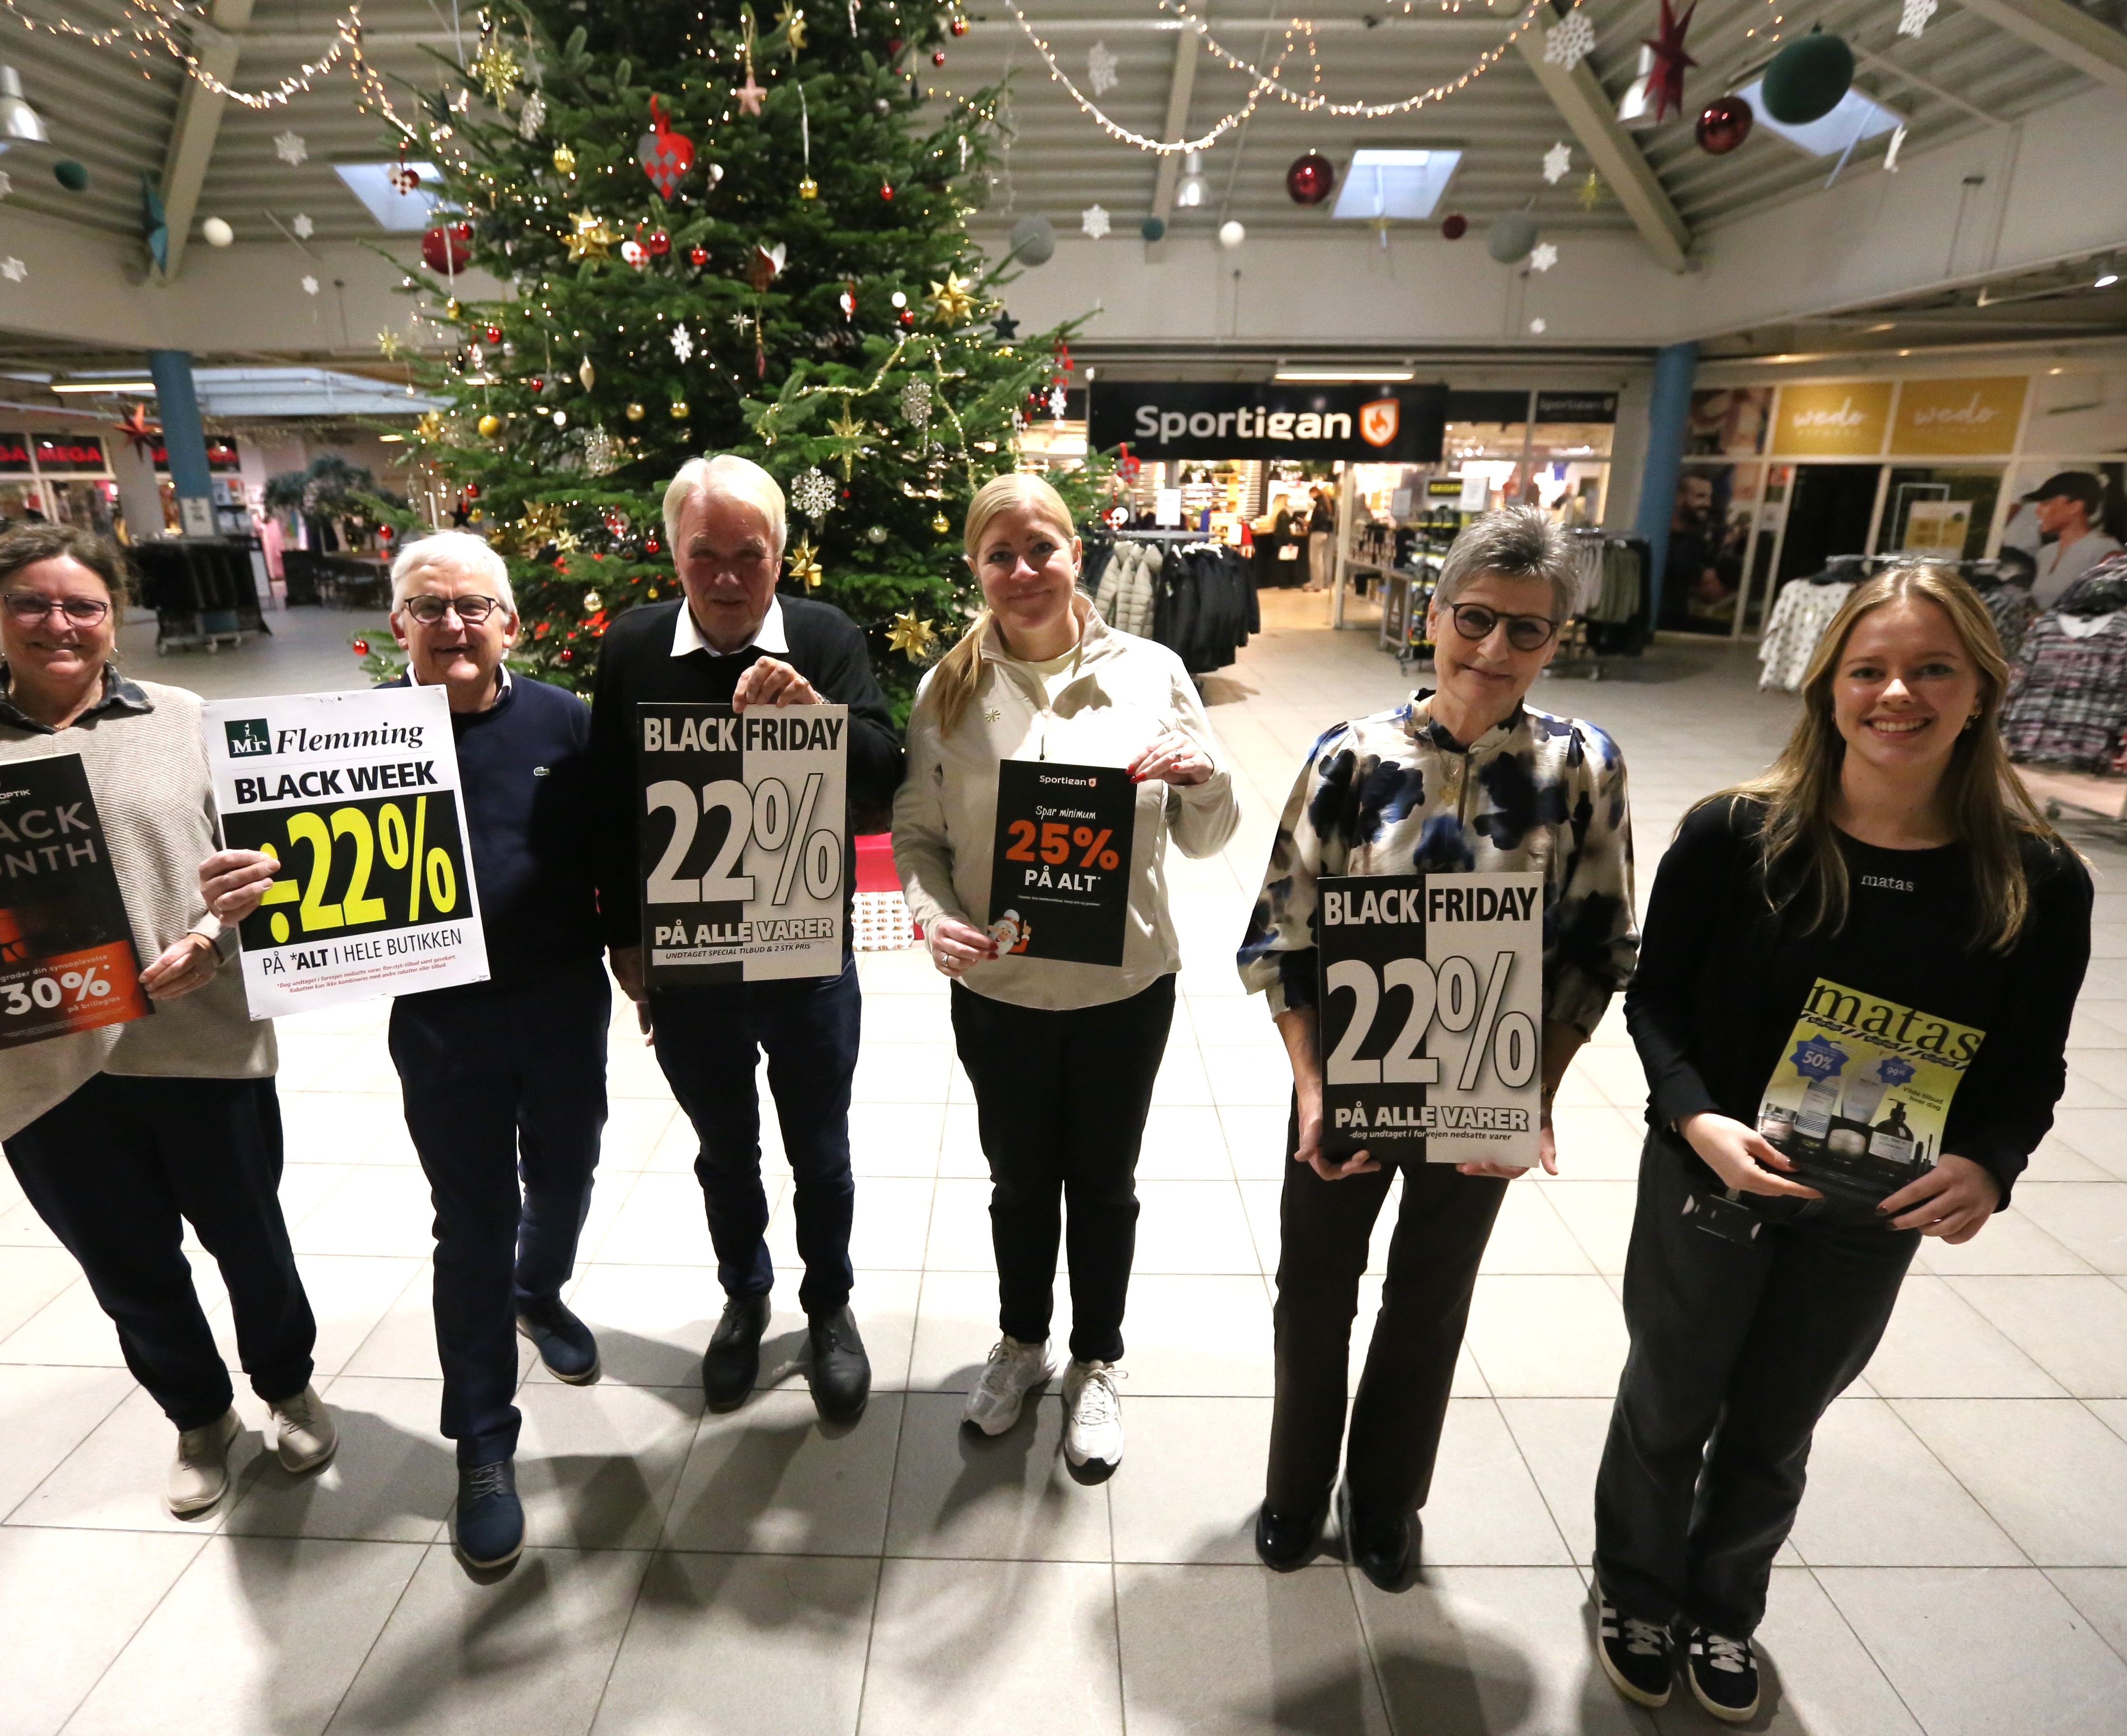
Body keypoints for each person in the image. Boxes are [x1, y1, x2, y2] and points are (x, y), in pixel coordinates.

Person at [1588, 566, 2090, 1722]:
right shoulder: (1732, 835)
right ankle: (1634, 1592)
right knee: (1668, 1403)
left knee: (1776, 1424)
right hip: (1710, 1178)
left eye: (1930, 670)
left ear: (1979, 690)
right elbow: (1652, 1002)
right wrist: (1695, 1119)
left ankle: (1722, 1609)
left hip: (1872, 1205)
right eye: (1867, 670)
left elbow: (2029, 1069)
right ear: (1826, 690)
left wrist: (1988, 1165)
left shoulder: (2037, 880)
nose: (1895, 694)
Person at [0, 524, 331, 1519]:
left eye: (83, 606)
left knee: (252, 1241)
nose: (58, 624)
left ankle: (286, 1384)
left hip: (204, 1047)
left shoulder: (185, 718)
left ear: (116, 617)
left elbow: (261, 878)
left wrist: (212, 937)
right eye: (32, 604)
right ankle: (198, 1416)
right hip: (44, 1068)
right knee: (127, 1265)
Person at [1238, 504, 1637, 1591]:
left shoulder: (1581, 765)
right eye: (1474, 620)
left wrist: (1535, 1098)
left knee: (1430, 1293)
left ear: (1557, 639)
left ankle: (1382, 1502)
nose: (1493, 651)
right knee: (1315, 1287)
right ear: (1433, 613)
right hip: (1347, 1077)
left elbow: (1598, 949)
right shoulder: (1354, 756)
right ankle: (1290, 1488)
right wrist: (1310, 1089)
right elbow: (1281, 932)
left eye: (1527, 631)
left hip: (1484, 1085)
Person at [198, 531, 607, 1573]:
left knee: (565, 1173)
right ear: (399, 627)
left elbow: (625, 855)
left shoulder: (570, 722)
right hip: (441, 1024)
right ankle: (481, 1441)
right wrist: (244, 893)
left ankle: (541, 1290)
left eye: (475, 605)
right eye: (430, 607)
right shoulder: (346, 739)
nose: (454, 624)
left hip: (563, 1004)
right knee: (471, 1224)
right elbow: (293, 881)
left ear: (512, 622)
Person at [894, 473, 1240, 1472]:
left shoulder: (1155, 672)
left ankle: (1098, 1361)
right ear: (978, 571)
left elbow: (1211, 838)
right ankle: (1022, 1343)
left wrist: (1205, 776)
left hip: (1124, 989)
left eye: (1040, 547)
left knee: (1103, 1183)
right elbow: (916, 835)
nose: (1023, 571)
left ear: (1076, 551)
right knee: (1016, 1181)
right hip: (999, 992)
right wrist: (931, 914)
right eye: (1000, 555)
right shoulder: (948, 690)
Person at [589, 454, 904, 1423]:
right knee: (724, 1150)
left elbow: (886, 776)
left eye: (749, 556)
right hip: (687, 960)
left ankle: (830, 1308)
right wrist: (623, 942)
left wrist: (823, 716)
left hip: (806, 946)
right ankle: (745, 1297)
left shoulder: (824, 636)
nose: (726, 577)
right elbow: (610, 800)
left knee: (822, 1148)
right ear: (674, 554)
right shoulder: (635, 645)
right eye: (704, 556)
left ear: (781, 554)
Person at [2008, 472, 2122, 607]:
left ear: (2075, 507)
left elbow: (2107, 604)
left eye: (2047, 503)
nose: (2038, 511)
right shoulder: (2046, 553)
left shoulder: (2104, 549)